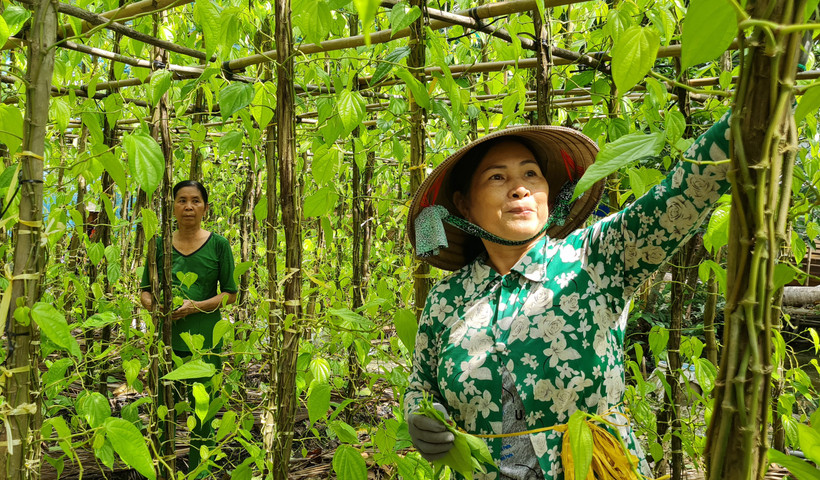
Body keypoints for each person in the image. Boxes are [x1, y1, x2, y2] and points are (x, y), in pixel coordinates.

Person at [405, 116, 732, 479]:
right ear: (463, 205)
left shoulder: (596, 258)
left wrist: (743, 120)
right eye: (497, 177)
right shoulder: (446, 299)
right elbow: (422, 384)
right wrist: (418, 414)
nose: (519, 189)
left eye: (531, 174)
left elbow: (682, 192)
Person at [140, 180, 238, 476]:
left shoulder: (219, 245)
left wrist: (195, 306)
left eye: (195, 200)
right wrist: (154, 306)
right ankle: (163, 470)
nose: (188, 206)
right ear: (172, 207)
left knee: (202, 414)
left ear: (205, 208)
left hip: (205, 343)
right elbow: (144, 288)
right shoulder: (157, 245)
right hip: (166, 340)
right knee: (163, 409)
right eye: (182, 200)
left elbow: (230, 293)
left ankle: (200, 473)